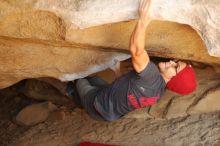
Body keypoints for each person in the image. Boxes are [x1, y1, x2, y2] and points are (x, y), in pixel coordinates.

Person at [68, 0, 197, 121]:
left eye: (175, 67)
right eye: (176, 62)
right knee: (95, 80)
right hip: (110, 114)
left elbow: (136, 51)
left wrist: (143, 21)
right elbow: (130, 92)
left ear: (174, 79)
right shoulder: (158, 93)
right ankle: (80, 95)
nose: (171, 62)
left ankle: (72, 91)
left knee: (80, 79)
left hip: (96, 104)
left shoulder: (152, 76)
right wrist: (117, 71)